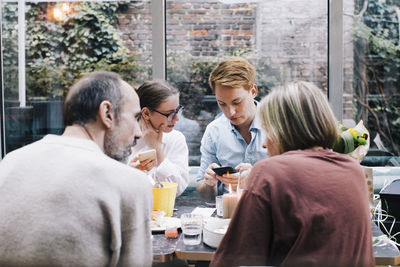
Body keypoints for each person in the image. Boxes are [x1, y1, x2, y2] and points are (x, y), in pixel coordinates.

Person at [210, 81, 374, 267]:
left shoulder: (269, 172)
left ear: (284, 130)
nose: (264, 144)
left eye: (268, 130)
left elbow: (231, 259)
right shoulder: (354, 171)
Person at [0, 71, 153, 267]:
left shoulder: (9, 164)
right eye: (135, 117)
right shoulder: (129, 183)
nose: (139, 133)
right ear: (107, 113)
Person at [196, 57, 268, 200]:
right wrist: (209, 183)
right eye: (222, 104)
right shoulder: (214, 131)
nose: (230, 112)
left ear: (253, 91)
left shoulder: (278, 125)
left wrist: (256, 178)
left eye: (237, 102)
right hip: (229, 215)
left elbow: (295, 180)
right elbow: (202, 192)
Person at [128, 80, 189, 196]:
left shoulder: (175, 139)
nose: (176, 119)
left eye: (177, 111)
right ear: (146, 113)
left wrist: (157, 149)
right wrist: (130, 172)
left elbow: (177, 189)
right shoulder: (123, 139)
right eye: (169, 114)